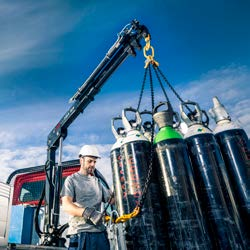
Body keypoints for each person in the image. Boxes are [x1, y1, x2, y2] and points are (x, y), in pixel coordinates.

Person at [61, 145, 113, 250]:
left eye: (95, 162)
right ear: (81, 160)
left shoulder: (97, 182)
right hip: (81, 233)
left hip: (100, 234)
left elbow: (111, 200)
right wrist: (89, 213)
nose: (93, 164)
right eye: (90, 161)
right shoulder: (71, 180)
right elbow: (66, 206)